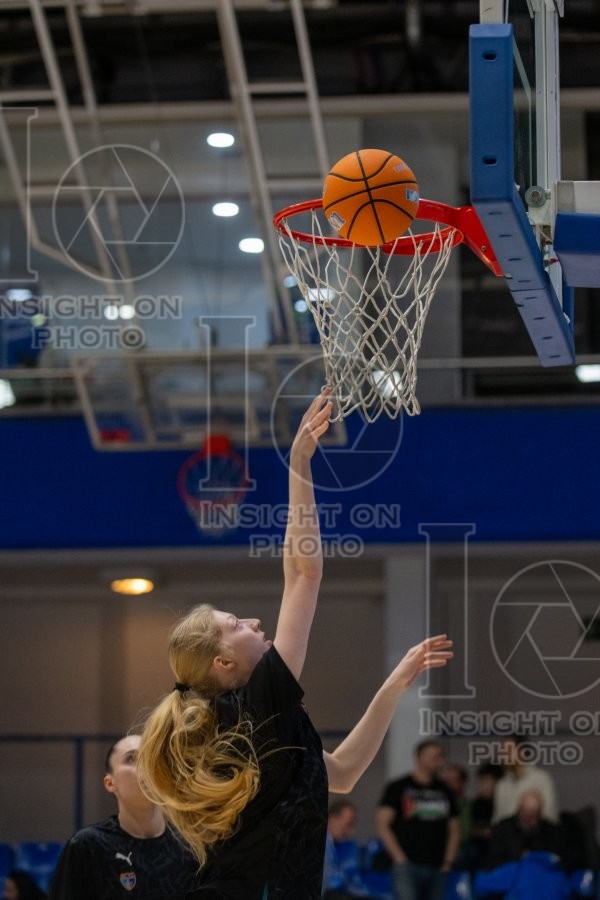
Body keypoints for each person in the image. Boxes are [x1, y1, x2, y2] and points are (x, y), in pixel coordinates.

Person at [137, 389, 453, 900]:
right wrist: (300, 462)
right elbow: (304, 572)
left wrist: (395, 685)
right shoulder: (254, 706)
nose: (254, 621)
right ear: (223, 661)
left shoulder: (263, 724)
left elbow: (344, 773)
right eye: (236, 622)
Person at [49, 734, 199, 900]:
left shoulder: (193, 846)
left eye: (150, 756)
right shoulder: (87, 846)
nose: (146, 765)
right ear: (110, 783)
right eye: (132, 758)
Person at [375, 739, 460, 900]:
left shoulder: (445, 790)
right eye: (432, 756)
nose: (437, 759)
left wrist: (448, 862)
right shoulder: (399, 787)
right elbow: (382, 824)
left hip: (437, 865)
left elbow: (454, 829)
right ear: (419, 757)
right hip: (408, 864)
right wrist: (399, 858)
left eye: (439, 756)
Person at [485, 790, 563, 871]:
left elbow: (555, 857)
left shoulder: (549, 829)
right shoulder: (503, 828)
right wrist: (518, 857)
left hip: (540, 874)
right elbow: (493, 859)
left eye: (537, 813)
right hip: (511, 874)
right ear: (520, 811)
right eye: (530, 814)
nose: (534, 819)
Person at [493, 735, 559, 823]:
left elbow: (549, 816)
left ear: (522, 752)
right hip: (508, 834)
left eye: (508, 751)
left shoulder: (541, 779)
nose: (503, 756)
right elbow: (498, 819)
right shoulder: (502, 784)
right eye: (502, 752)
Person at [322, 800, 379, 899]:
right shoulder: (323, 842)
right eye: (348, 824)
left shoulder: (335, 846)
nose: (350, 830)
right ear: (331, 818)